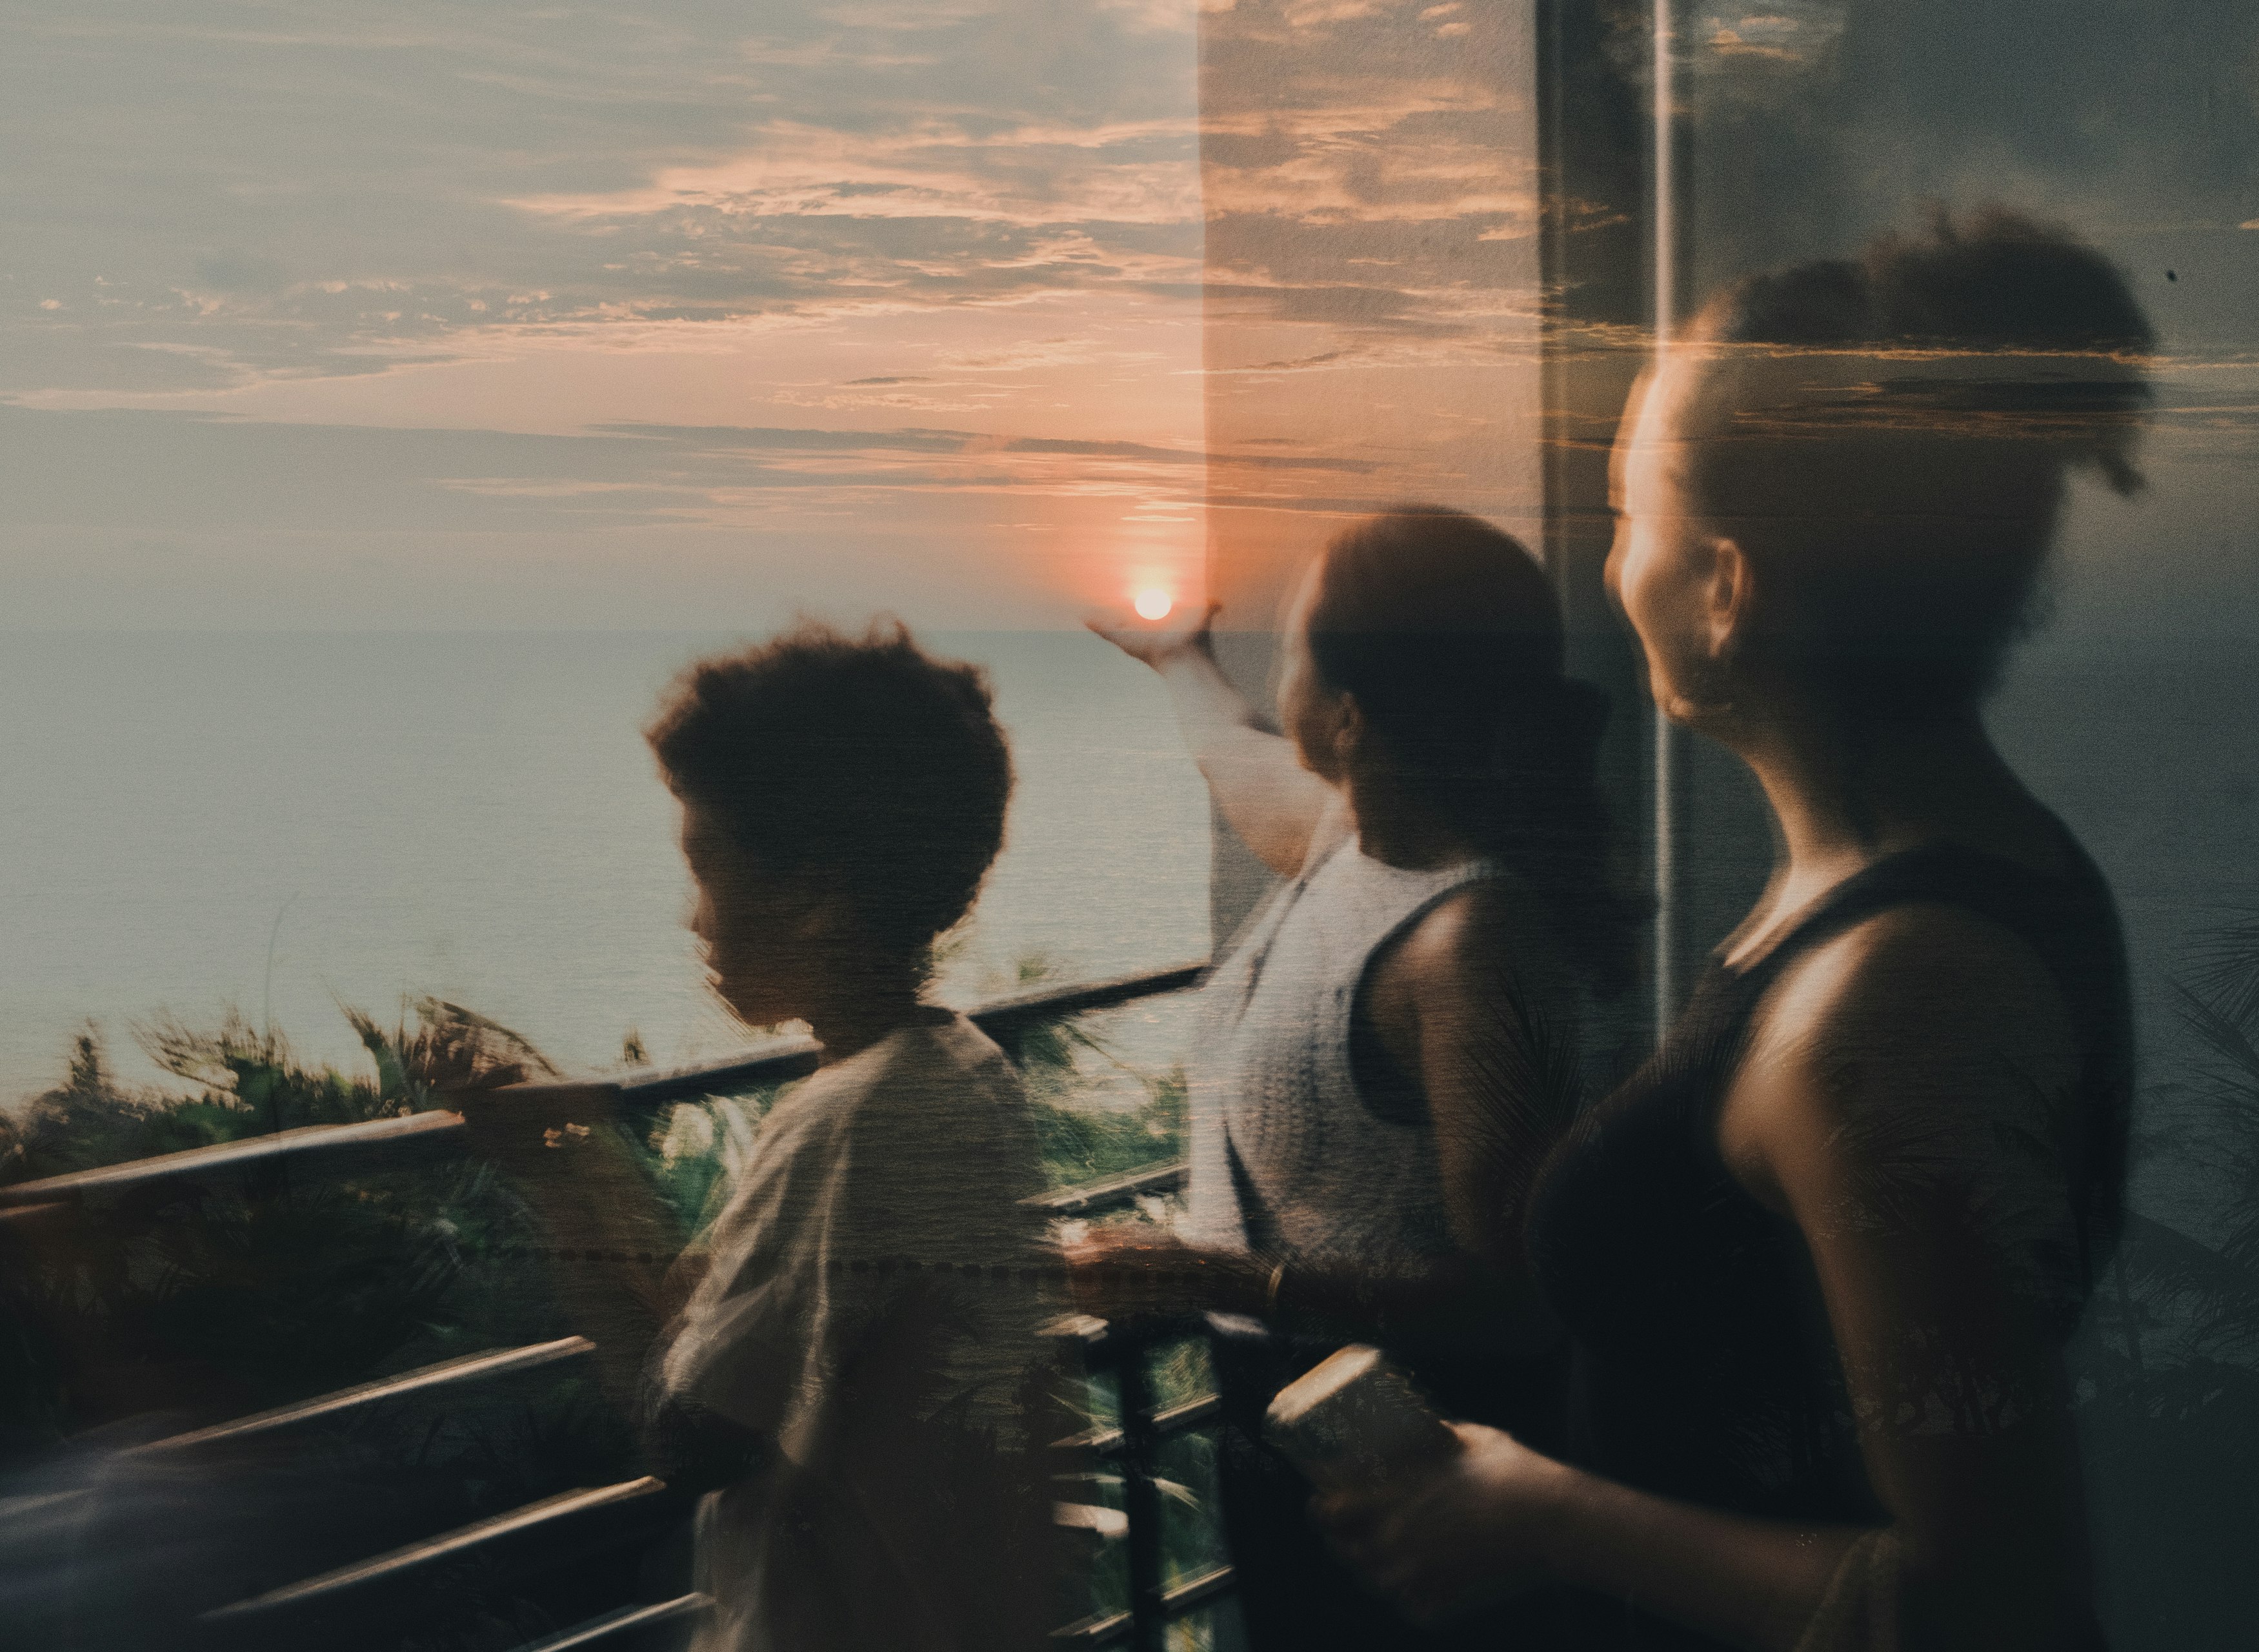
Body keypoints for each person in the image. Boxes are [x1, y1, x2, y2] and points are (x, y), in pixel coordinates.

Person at [1320, 207, 2154, 1651]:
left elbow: (1991, 1604)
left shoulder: (1885, 1007)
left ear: (1723, 591)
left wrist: (1543, 1510)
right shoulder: (1913, 894)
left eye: (1631, 508)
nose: (1608, 561)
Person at [1075, 507, 1638, 1649]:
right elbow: (1238, 754)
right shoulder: (1353, 841)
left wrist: (1221, 1279)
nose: (1271, 675)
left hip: (1426, 1473)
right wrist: (1180, 656)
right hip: (1311, 1449)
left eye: (1288, 649)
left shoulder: (1469, 946)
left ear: (1348, 716)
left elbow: (1518, 1298)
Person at [464, 620, 1061, 1652]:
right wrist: (579, 1152)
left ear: (820, 899)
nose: (695, 920)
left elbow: (686, 1430)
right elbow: (722, 1334)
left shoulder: (850, 1124)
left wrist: (562, 1183)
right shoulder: (960, 1071)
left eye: (708, 868)